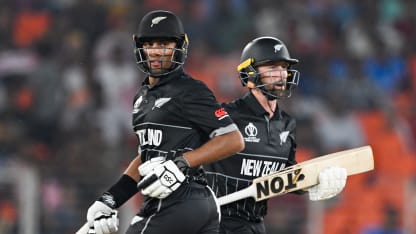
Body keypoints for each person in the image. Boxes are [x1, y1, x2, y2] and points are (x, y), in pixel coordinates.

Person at [84, 10, 244, 234]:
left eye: (164, 44)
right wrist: (111, 199)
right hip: (188, 208)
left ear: (179, 47)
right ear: (140, 48)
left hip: (179, 202)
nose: (157, 51)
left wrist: (181, 163)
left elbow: (233, 140)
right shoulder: (142, 97)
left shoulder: (190, 90)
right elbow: (147, 156)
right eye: (150, 44)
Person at [204, 36, 348, 234]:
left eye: (283, 68)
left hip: (254, 225)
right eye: (272, 67)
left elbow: (286, 175)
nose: (281, 74)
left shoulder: (286, 124)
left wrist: (314, 185)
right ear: (250, 74)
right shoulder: (227, 116)